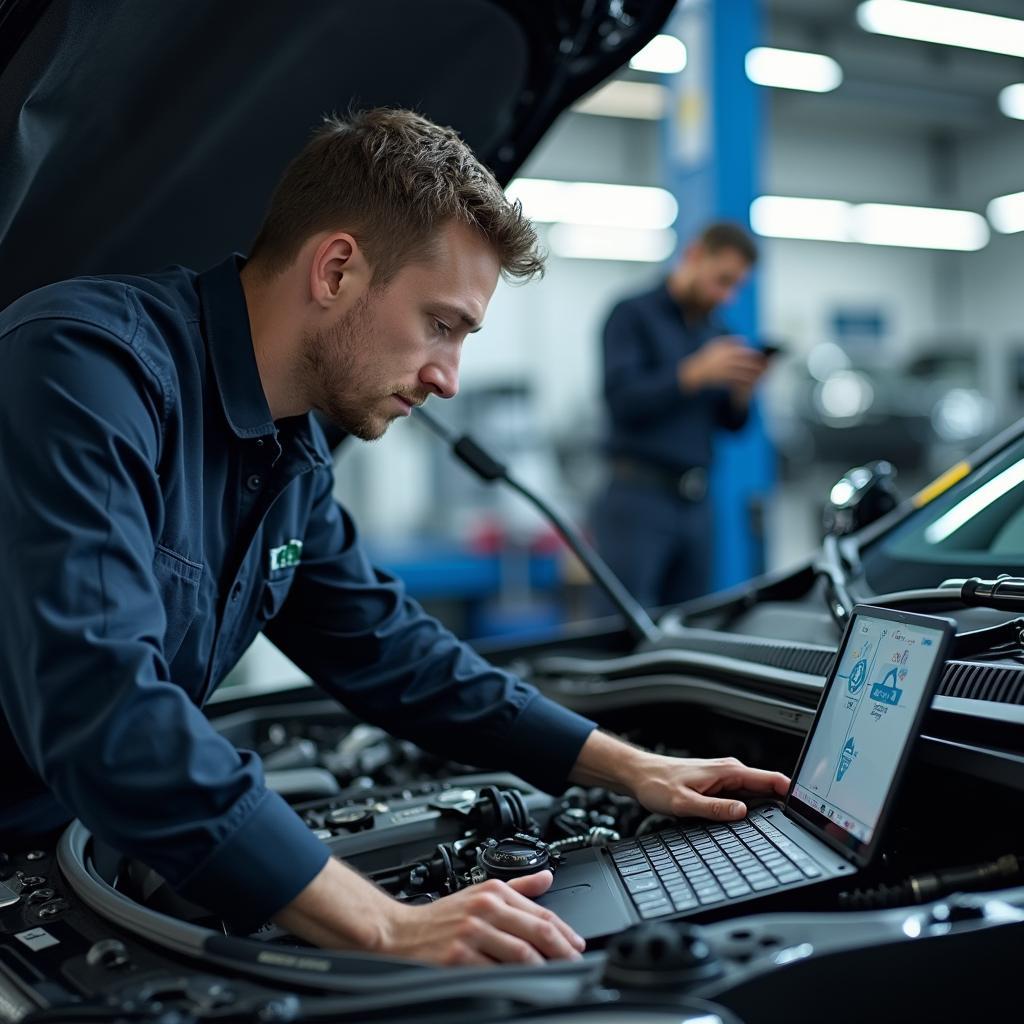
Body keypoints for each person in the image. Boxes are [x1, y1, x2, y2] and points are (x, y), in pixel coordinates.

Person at [0, 110, 789, 966]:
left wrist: (629, 768)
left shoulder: (288, 453)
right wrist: (385, 924)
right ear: (336, 269)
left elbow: (395, 652)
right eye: (441, 325)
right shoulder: (83, 371)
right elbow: (101, 698)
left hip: (69, 845)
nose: (448, 379)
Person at [592, 222, 768, 610]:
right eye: (721, 280)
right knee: (620, 626)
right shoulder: (631, 315)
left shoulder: (717, 331)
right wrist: (695, 373)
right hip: (636, 499)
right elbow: (622, 401)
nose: (726, 295)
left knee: (691, 622)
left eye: (735, 286)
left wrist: (743, 391)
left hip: (696, 504)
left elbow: (733, 425)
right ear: (693, 255)